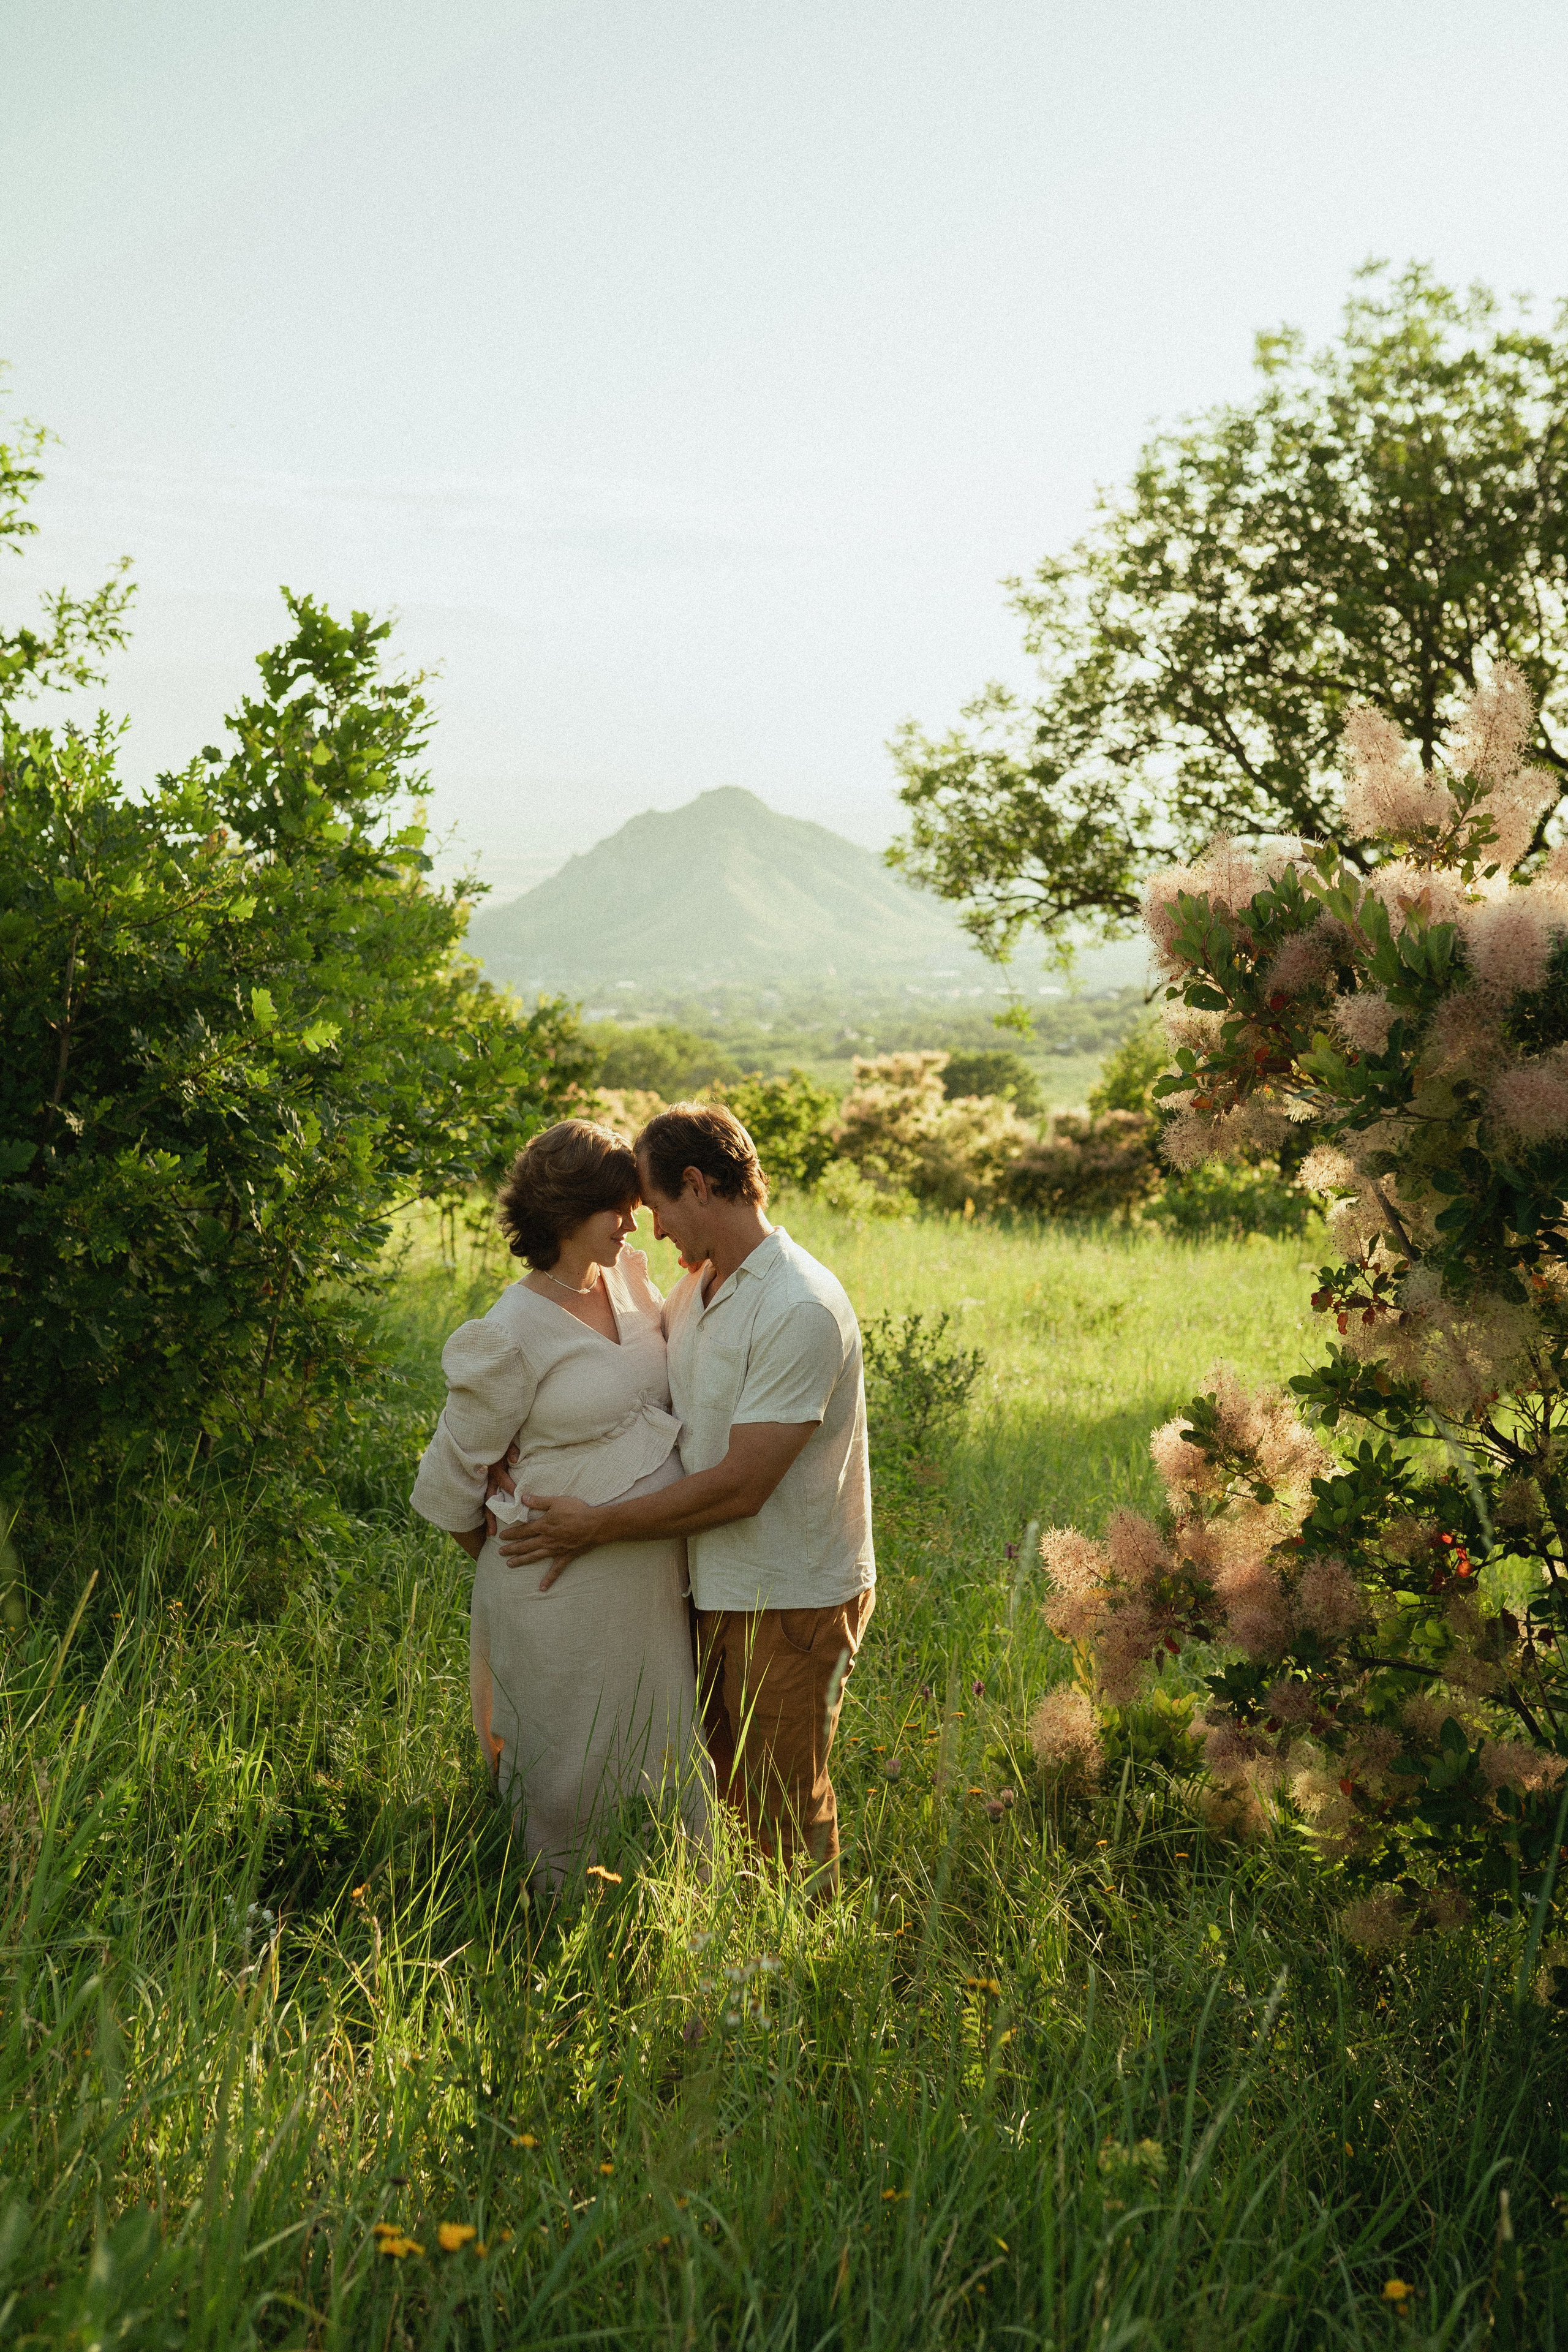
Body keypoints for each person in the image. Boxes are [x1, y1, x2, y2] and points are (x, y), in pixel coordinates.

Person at [498, 1102, 874, 1891]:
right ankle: (735, 1946)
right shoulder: (698, 1289)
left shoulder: (797, 1305)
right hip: (712, 1586)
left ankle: (802, 1955)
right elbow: (630, 1390)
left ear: (698, 1185)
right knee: (723, 1800)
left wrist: (595, 1526)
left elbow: (743, 1485)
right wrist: (519, 1444)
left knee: (782, 1805)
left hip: (789, 1593)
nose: (653, 1229)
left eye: (657, 1206)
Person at [409, 1119, 707, 1883]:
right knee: (567, 1778)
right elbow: (448, 1485)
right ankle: (551, 1917)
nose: (634, 1223)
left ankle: (662, 1904)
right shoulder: (508, 1333)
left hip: (648, 1599)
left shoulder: (626, 1278)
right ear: (569, 1212)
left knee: (656, 1752)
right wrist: (515, 1552)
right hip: (555, 1598)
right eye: (618, 1208)